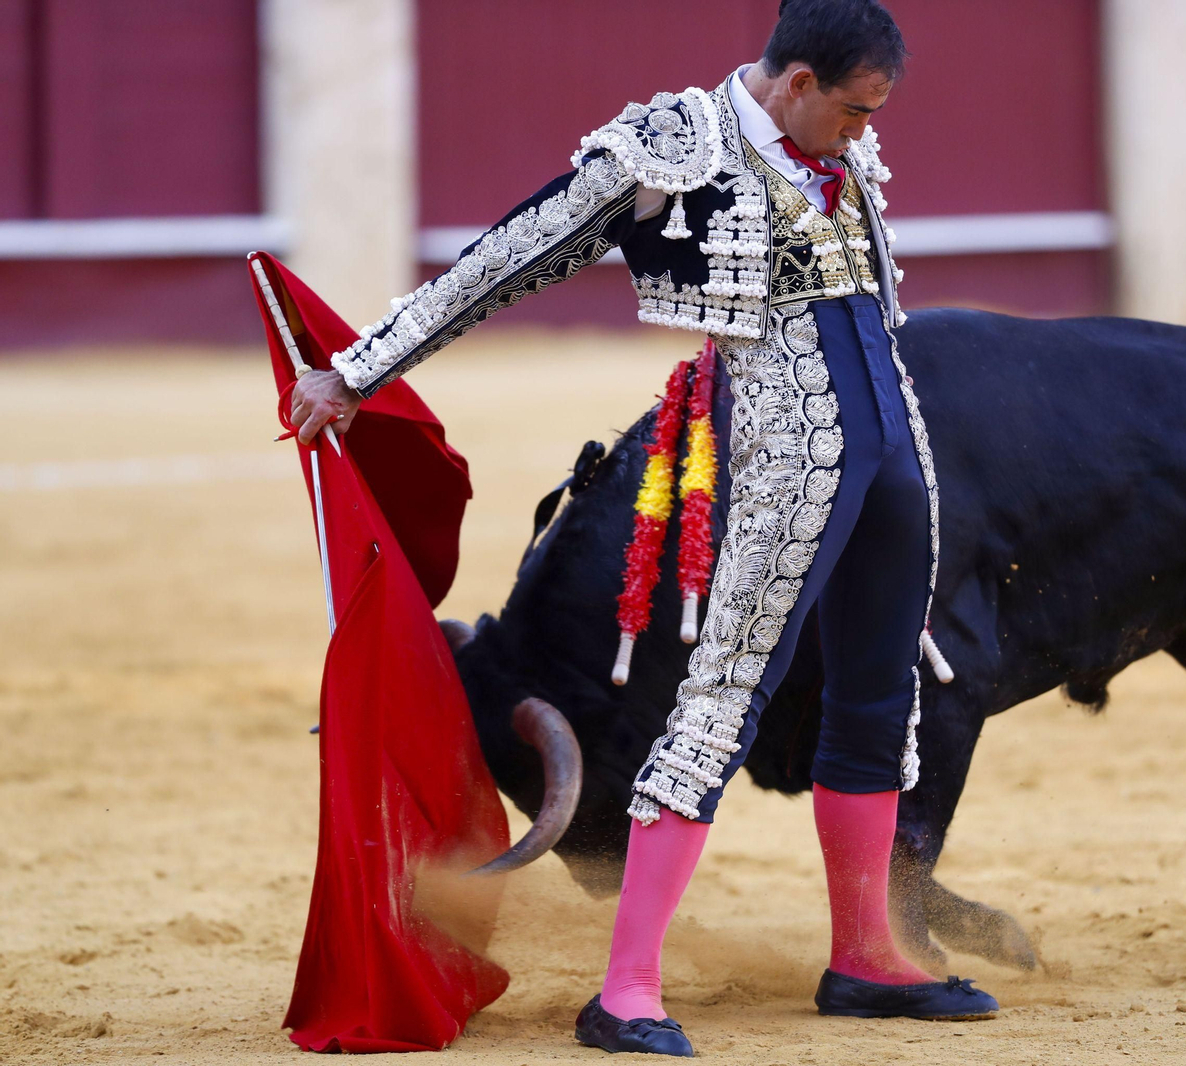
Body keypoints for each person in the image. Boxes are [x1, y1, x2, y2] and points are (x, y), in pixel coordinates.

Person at [289, 0, 998, 1054]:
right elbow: (507, 257)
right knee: (719, 702)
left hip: (895, 446)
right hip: (781, 455)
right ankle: (624, 990)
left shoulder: (837, 135)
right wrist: (356, 371)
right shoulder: (669, 148)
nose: (862, 132)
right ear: (795, 81)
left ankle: (864, 956)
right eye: (851, 112)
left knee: (879, 693)